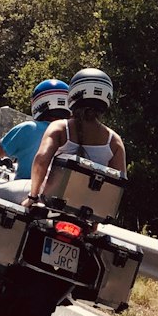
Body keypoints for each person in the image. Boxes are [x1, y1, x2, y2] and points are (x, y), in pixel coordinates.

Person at [0, 79, 71, 214]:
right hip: (61, 202)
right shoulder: (72, 136)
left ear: (39, 103)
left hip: (26, 192)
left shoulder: (30, 128)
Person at [21, 68, 126, 211]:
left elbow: (41, 161)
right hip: (85, 210)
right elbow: (116, 186)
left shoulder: (59, 127)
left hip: (49, 200)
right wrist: (95, 220)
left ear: (73, 95)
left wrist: (32, 197)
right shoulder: (114, 141)